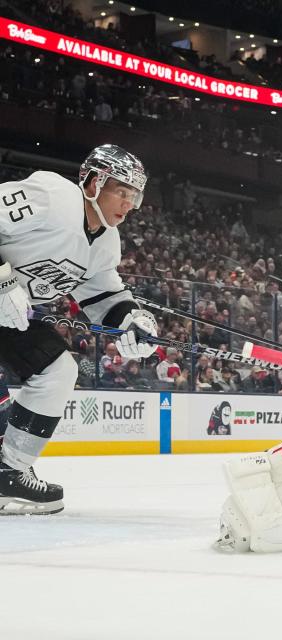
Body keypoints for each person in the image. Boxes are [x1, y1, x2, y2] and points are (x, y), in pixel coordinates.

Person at [0, 144, 159, 514]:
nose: (128, 203)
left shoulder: (105, 242)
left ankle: (8, 472)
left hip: (6, 316)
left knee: (58, 371)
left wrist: (131, 321)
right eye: (121, 190)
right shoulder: (53, 197)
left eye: (133, 195)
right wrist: (4, 281)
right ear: (92, 181)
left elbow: (103, 295)